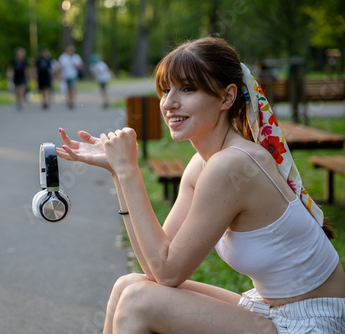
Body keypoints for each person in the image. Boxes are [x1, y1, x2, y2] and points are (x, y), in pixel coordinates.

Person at [56, 37, 345, 333]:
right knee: (128, 285)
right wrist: (118, 172)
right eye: (166, 90)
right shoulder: (203, 164)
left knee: (138, 301)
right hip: (271, 309)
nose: (169, 103)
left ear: (226, 97)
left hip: (311, 322)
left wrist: (129, 170)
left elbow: (169, 272)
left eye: (188, 89)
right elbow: (154, 268)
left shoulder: (232, 165)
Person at [58, 45, 83, 110]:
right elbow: (60, 67)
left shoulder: (76, 57)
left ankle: (72, 101)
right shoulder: (63, 57)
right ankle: (69, 100)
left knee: (72, 88)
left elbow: (80, 66)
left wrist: (76, 65)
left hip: (73, 75)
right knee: (67, 89)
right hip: (65, 75)